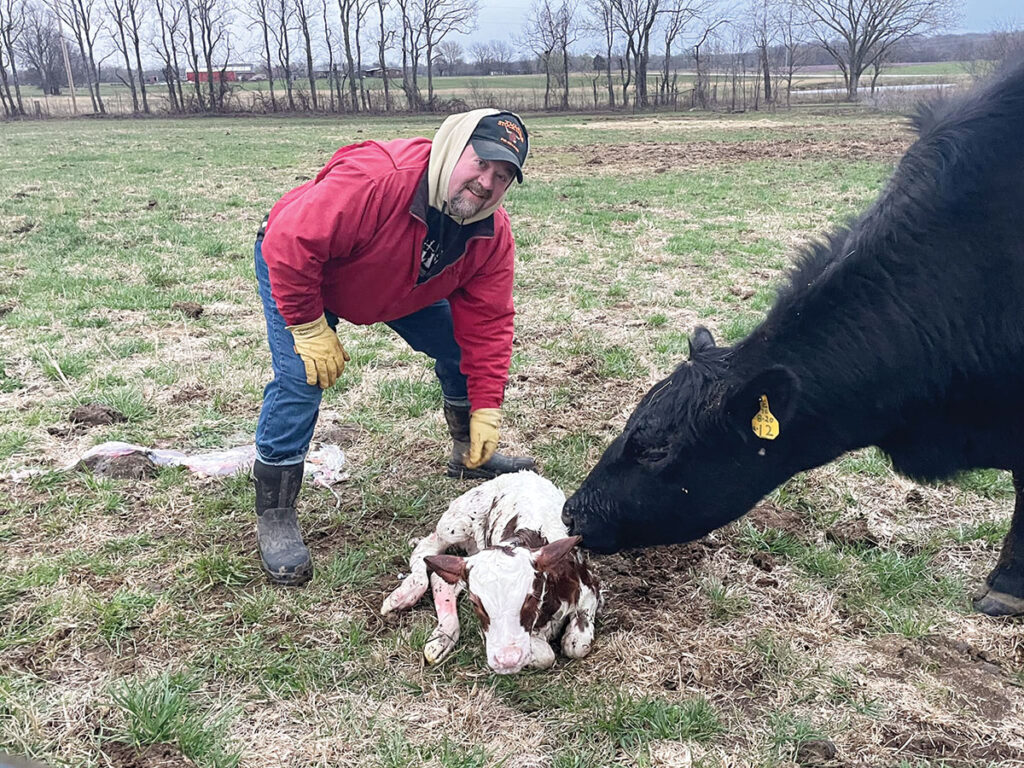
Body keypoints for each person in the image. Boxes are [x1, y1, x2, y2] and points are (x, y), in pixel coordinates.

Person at [253, 108, 537, 586]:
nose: (487, 183)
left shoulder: (491, 235)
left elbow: (488, 324)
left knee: (457, 348)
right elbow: (290, 241)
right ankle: (275, 512)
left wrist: (486, 406)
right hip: (307, 274)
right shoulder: (377, 178)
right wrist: (306, 324)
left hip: (402, 286)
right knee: (302, 377)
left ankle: (469, 454)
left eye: (503, 175)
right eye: (481, 163)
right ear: (452, 149)